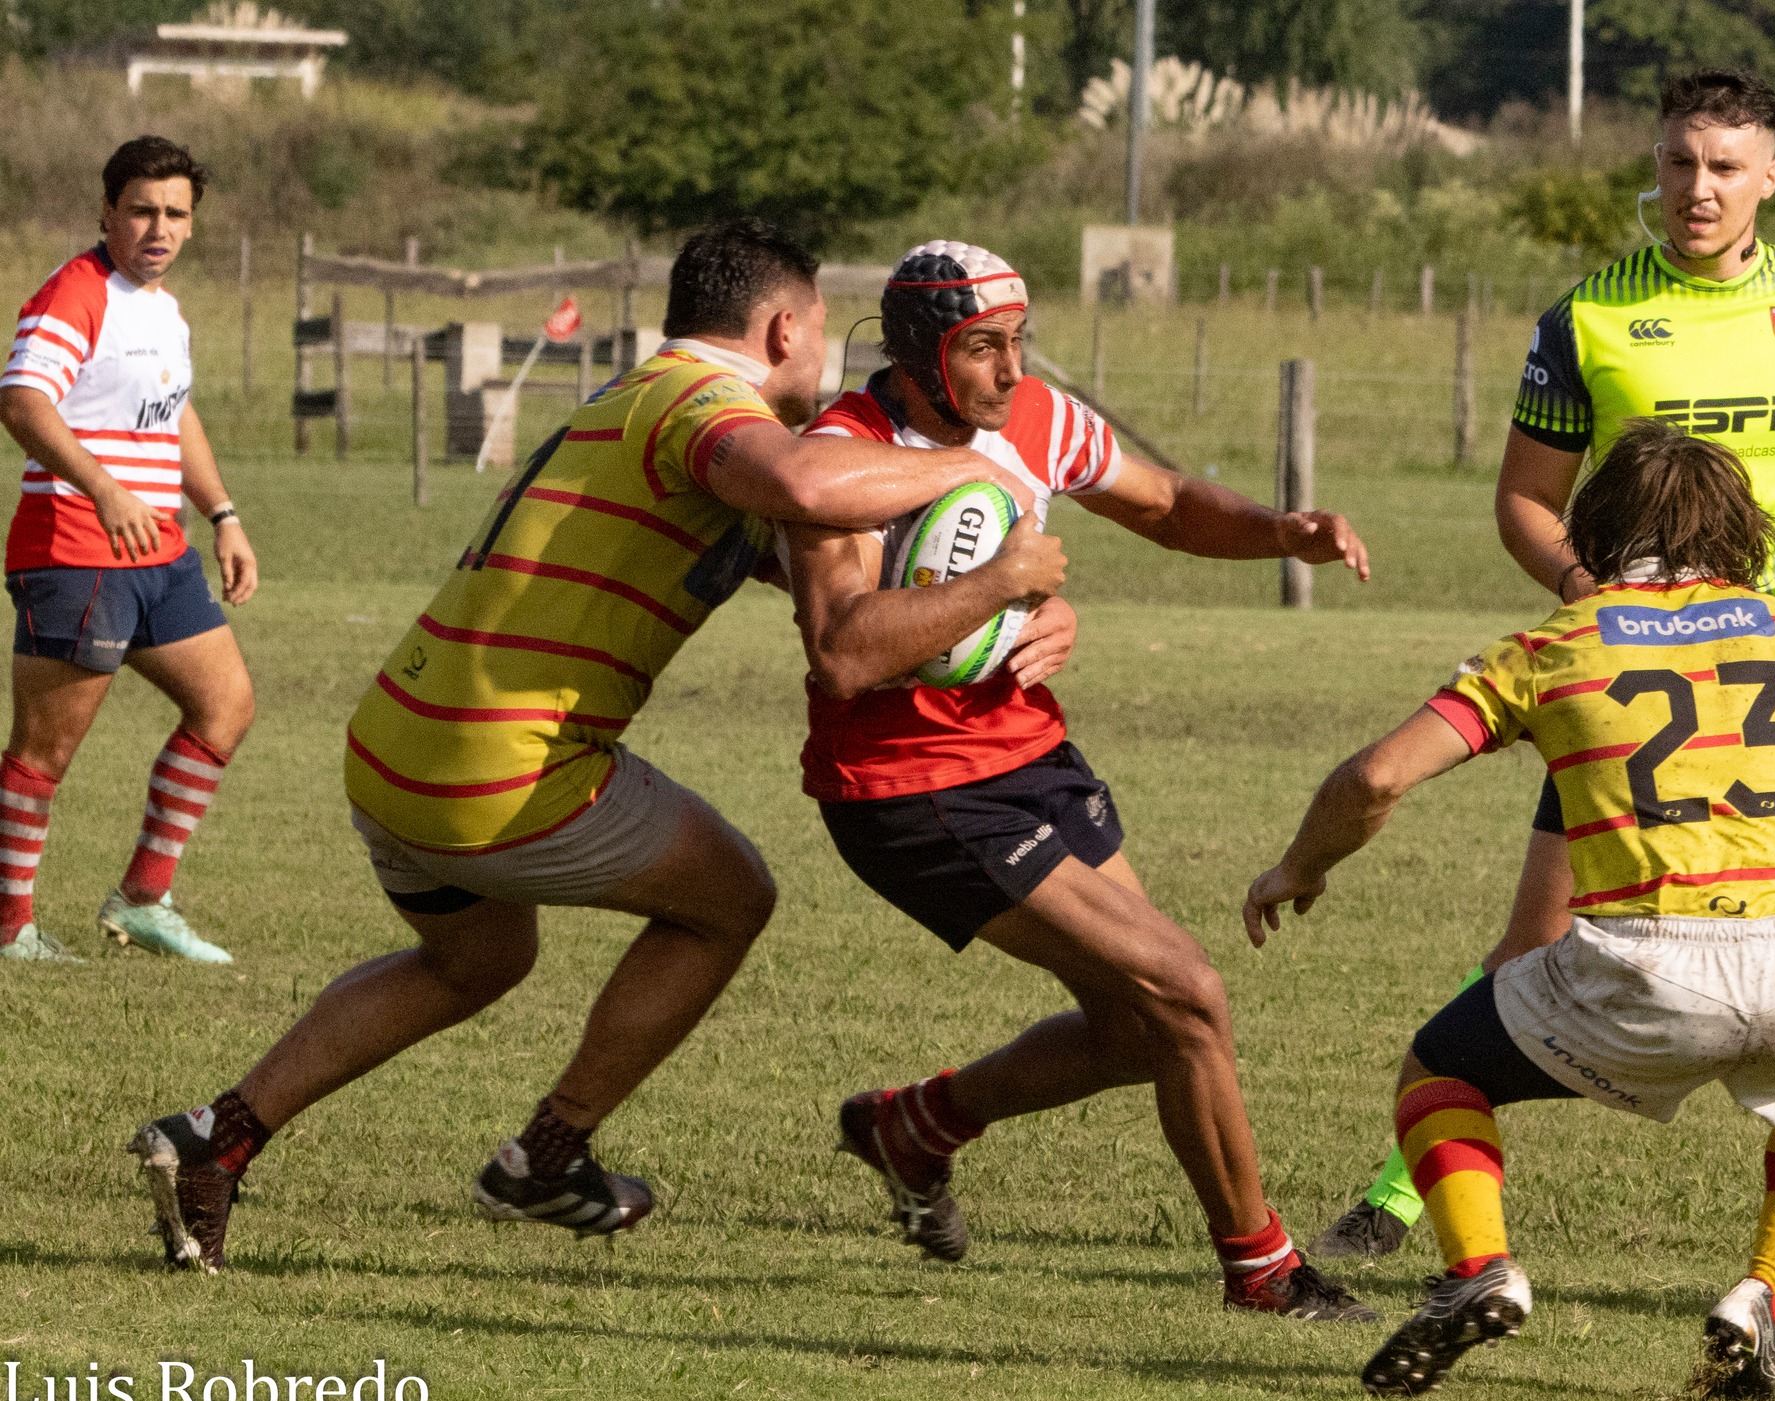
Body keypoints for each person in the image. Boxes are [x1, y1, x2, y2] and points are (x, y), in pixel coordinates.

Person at [127, 218, 1033, 1272]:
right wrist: (974, 473)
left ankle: (216, 1138)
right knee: (731, 896)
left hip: (393, 743)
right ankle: (548, 1154)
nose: (830, 352)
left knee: (478, 957)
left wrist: (994, 619)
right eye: (824, 327)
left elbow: (849, 613)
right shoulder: (702, 404)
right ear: (784, 326)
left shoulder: (637, 402)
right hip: (496, 772)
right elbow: (804, 486)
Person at [1245, 422, 1775, 1401]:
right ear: (1743, 534)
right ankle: (1761, 1295)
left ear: (1595, 534)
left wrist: (1296, 865)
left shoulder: (1546, 648)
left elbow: (1373, 777)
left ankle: (1476, 1266)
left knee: (1437, 1067)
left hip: (1642, 965)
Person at [1324, 67, 1775, 1271]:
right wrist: (1585, 594)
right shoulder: (1588, 315)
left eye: (1721, 166)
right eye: (1675, 162)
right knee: (1535, 938)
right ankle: (1394, 1200)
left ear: (1771, 173)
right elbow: (1521, 499)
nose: (1695, 188)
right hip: (1638, 668)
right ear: (1652, 168)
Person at [781, 241, 1375, 1319]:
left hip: (1030, 753)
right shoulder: (840, 457)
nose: (1010, 371)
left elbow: (1164, 504)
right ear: (918, 352)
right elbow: (844, 651)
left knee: (1135, 1028)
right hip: (909, 790)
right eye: (983, 349)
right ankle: (1263, 1268)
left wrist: (1281, 531)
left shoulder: (1034, 419)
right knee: (1186, 991)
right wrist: (1007, 582)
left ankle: (915, 1126)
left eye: (1019, 343)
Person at [0, 136, 260, 966]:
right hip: (74, 550)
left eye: (175, 213)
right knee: (44, 753)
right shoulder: (74, 294)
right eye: (142, 209)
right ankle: (10, 931)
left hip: (159, 552)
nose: (159, 227)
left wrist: (221, 512)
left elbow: (176, 413)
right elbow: (21, 402)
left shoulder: (163, 309)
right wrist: (102, 486)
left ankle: (144, 899)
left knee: (226, 708)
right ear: (107, 212)